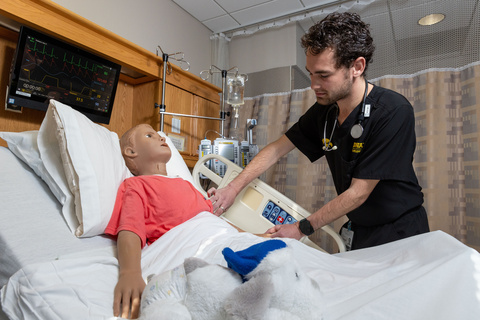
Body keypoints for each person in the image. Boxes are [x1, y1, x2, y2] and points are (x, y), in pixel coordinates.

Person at [208, 12, 429, 251]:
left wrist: (300, 228)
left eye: (324, 75)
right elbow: (276, 149)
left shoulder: (392, 111)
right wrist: (232, 187)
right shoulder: (325, 111)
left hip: (400, 231)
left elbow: (358, 193)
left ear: (357, 66)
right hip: (359, 228)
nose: (313, 85)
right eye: (311, 73)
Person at [104, 124, 215, 319]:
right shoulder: (138, 185)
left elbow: (212, 221)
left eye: (160, 136)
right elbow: (130, 229)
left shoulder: (184, 183)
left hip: (216, 238)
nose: (162, 138)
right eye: (150, 135)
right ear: (131, 152)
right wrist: (129, 272)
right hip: (191, 251)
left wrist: (251, 235)